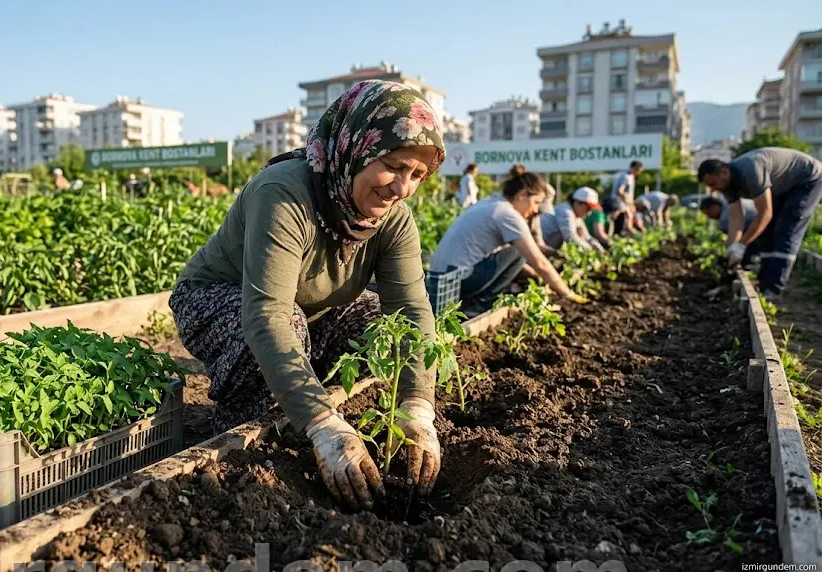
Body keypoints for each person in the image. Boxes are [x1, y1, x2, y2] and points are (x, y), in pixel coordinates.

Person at [169, 80, 444, 510]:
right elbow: (267, 313)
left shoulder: (393, 220)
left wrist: (417, 407)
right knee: (286, 328)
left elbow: (410, 311)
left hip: (307, 313)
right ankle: (237, 439)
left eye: (417, 175)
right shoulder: (285, 194)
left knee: (378, 321)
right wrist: (323, 425)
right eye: (393, 165)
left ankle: (298, 405)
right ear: (356, 148)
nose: (402, 187)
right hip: (218, 300)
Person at [426, 165, 588, 315]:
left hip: (441, 278)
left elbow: (511, 263)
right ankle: (480, 306)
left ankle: (473, 304)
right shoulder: (508, 214)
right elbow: (539, 262)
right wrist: (567, 293)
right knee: (518, 250)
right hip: (455, 280)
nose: (536, 209)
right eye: (536, 202)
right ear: (522, 195)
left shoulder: (492, 203)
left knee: (516, 253)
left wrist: (537, 278)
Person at [697, 147, 822, 296]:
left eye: (713, 183)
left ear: (724, 172)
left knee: (786, 231)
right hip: (783, 186)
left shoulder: (752, 171)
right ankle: (764, 284)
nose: (714, 189)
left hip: (808, 178)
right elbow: (736, 218)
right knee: (767, 233)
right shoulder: (726, 185)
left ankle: (773, 290)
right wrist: (732, 248)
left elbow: (765, 214)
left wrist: (742, 245)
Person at [539, 187, 606, 252]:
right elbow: (570, 238)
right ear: (577, 203)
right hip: (543, 243)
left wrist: (600, 248)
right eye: (588, 209)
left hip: (550, 241)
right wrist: (590, 250)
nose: (589, 213)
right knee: (568, 240)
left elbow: (586, 236)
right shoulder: (566, 212)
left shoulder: (576, 215)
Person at [700, 195, 760, 265]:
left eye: (708, 213)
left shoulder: (725, 217)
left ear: (714, 207)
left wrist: (726, 255)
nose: (709, 217)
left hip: (759, 227)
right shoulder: (729, 205)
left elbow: (733, 239)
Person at [604, 161, 644, 235]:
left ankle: (623, 236)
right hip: (619, 202)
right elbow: (620, 191)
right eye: (638, 170)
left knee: (627, 220)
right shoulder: (626, 176)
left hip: (623, 203)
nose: (639, 172)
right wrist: (629, 203)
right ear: (634, 168)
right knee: (623, 220)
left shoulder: (631, 177)